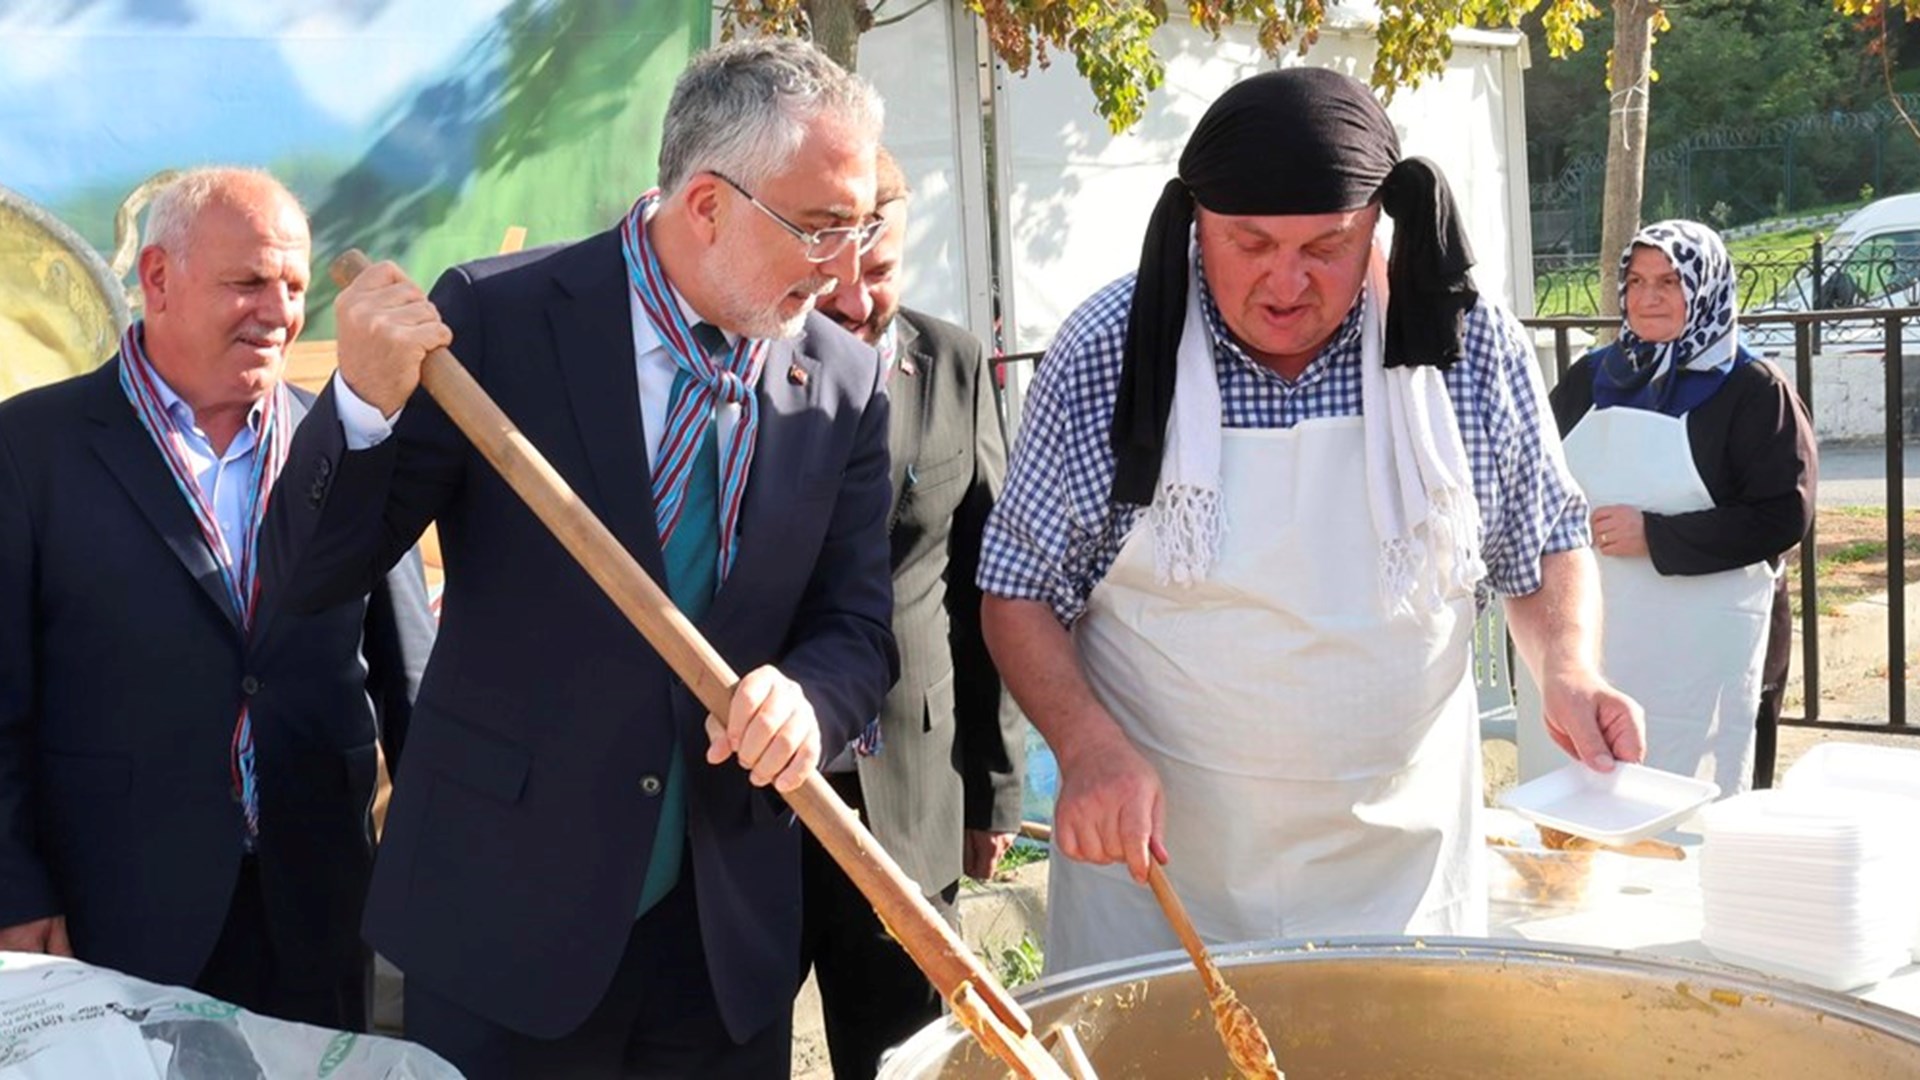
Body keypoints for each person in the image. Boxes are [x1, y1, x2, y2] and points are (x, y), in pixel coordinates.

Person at [266, 39, 898, 1079]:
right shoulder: (496, 321)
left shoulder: (843, 384)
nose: (845, 265)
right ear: (707, 205)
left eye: (861, 225)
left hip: (720, 949)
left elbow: (856, 627)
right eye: (822, 227)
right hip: (505, 924)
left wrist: (809, 700)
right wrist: (360, 409)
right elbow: (308, 577)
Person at [976, 67, 1646, 974]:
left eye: (1326, 246)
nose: (1286, 283)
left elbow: (1541, 542)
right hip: (1160, 882)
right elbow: (1018, 592)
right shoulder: (1109, 350)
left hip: (1400, 874)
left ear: (1381, 220)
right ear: (1194, 221)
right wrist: (1086, 747)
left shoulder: (1465, 342)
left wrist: (1568, 669)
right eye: (1249, 244)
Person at [0, 167, 434, 1030]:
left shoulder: (353, 442)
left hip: (317, 906)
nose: (278, 311)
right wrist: (13, 888)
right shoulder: (28, 449)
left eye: (295, 287)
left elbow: (410, 677)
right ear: (156, 278)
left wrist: (440, 881)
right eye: (248, 282)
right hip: (111, 913)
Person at [804, 148, 1023, 1077]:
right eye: (833, 285)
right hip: (760, 801)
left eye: (882, 274)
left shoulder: (956, 364)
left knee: (907, 1053)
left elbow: (988, 587)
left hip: (912, 800)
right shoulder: (738, 374)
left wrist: (994, 786)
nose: (856, 304)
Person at [1538, 220, 1816, 796]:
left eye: (1669, 281)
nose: (1649, 297)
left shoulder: (1753, 388)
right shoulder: (1592, 377)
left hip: (1709, 647)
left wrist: (1656, 536)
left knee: (1700, 799)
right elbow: (1535, 476)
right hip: (1602, 632)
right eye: (1636, 281)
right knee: (1591, 797)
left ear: (1706, 288)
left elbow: (1783, 515)